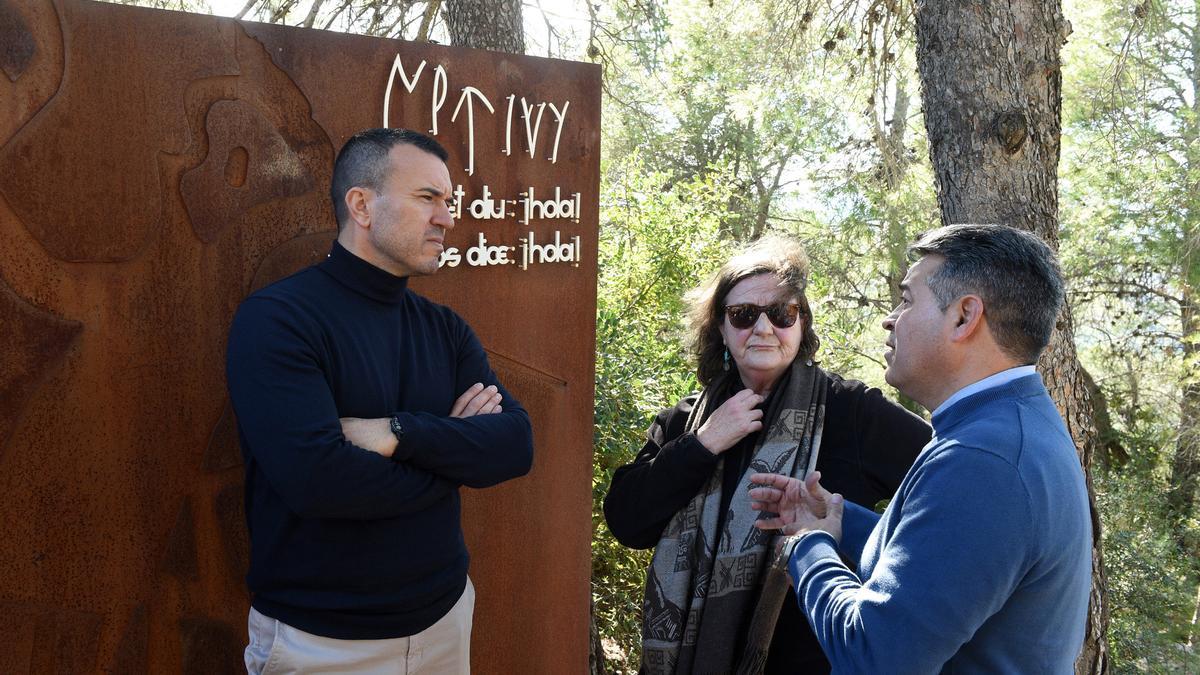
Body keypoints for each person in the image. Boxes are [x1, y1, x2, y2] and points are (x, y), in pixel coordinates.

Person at [226, 128, 533, 674]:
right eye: (427, 198)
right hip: (323, 644)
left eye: (449, 201)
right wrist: (455, 459)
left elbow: (514, 446)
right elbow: (320, 483)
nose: (447, 217)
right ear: (362, 205)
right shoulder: (278, 320)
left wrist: (399, 433)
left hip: (445, 621)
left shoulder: (445, 329)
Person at [749, 223, 1092, 673]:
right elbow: (943, 565)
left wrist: (807, 548)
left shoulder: (984, 459)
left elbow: (871, 654)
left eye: (908, 300)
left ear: (965, 316)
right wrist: (839, 520)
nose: (889, 317)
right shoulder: (1007, 427)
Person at [603, 236, 931, 674]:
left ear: (801, 324)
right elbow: (627, 522)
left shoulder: (852, 412)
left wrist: (857, 537)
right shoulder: (685, 422)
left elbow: (946, 488)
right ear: (720, 329)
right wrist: (704, 443)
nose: (763, 329)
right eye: (743, 315)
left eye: (781, 314)